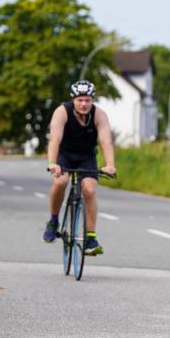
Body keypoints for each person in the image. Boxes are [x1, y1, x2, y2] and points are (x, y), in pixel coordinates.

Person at [42, 80, 117, 255]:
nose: (84, 104)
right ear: (73, 100)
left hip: (86, 157)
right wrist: (52, 163)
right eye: (80, 100)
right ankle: (53, 221)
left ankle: (90, 238)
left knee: (89, 190)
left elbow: (106, 141)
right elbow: (55, 139)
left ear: (92, 100)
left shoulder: (99, 115)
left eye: (87, 100)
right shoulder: (62, 112)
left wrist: (110, 165)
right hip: (65, 155)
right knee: (60, 182)